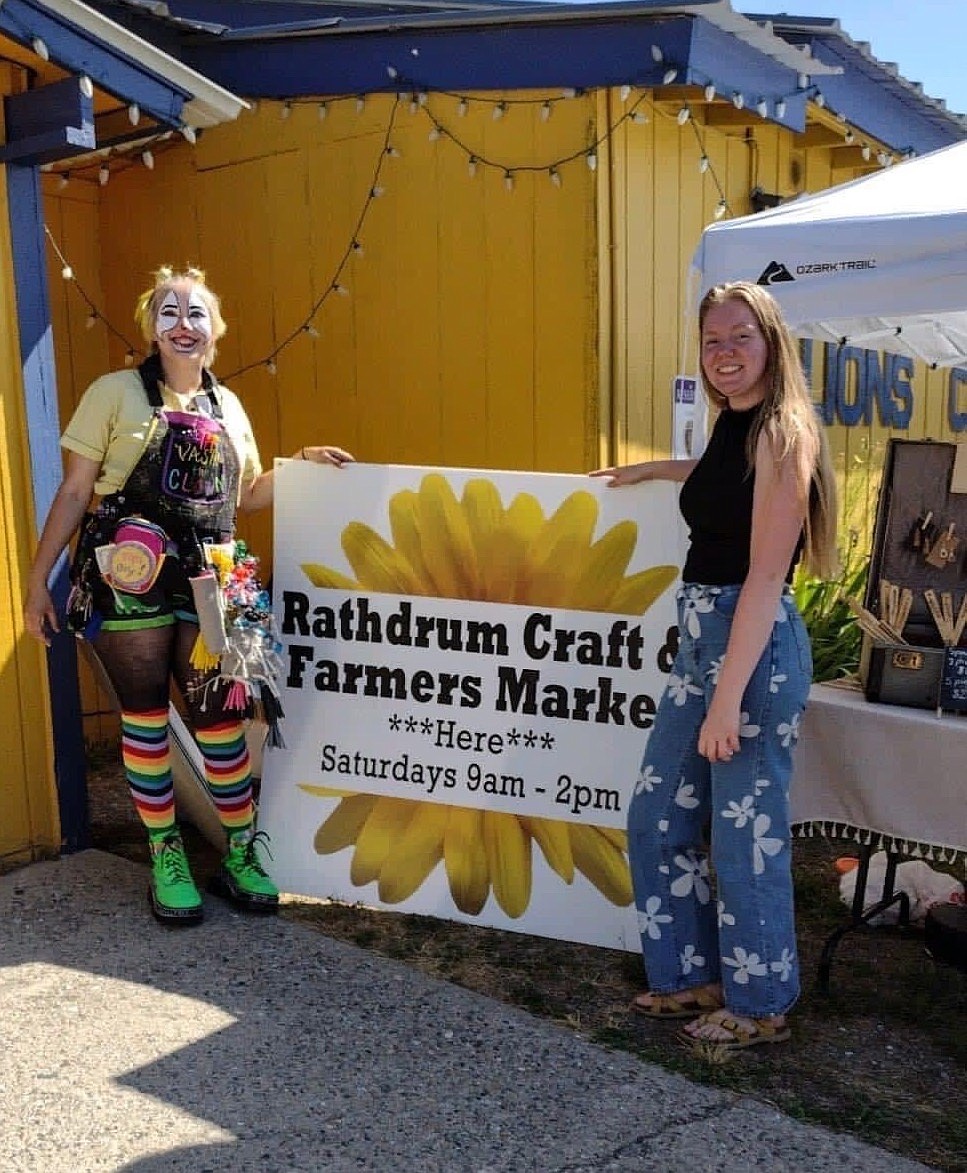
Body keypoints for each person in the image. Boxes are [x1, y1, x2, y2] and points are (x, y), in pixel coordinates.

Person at [24, 265, 353, 926]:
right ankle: (166, 855)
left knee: (221, 720)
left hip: (216, 572)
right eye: (168, 312)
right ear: (152, 326)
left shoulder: (229, 406)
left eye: (195, 313)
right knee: (146, 716)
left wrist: (300, 465)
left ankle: (240, 852)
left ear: (215, 330)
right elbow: (72, 491)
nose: (182, 324)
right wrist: (39, 579)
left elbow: (245, 494)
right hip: (132, 569)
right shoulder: (114, 392)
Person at [592, 281, 837, 1050]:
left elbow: (765, 573)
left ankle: (760, 1003)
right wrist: (650, 471)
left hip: (751, 651)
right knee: (657, 813)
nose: (724, 353)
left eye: (740, 337)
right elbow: (718, 482)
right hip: (703, 644)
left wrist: (726, 700)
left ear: (771, 343)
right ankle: (691, 973)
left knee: (744, 835)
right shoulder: (734, 425)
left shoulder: (782, 432)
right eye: (712, 341)